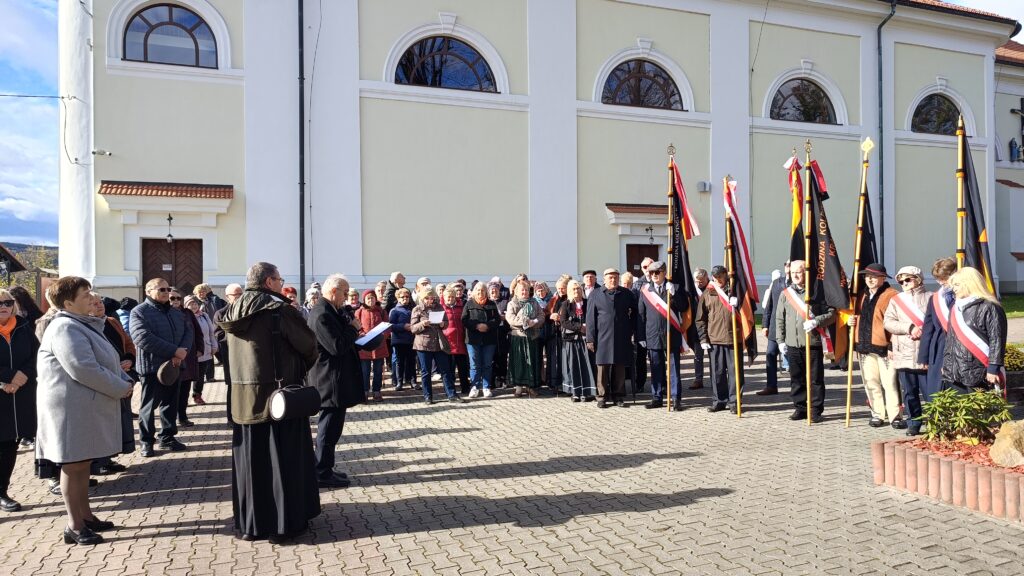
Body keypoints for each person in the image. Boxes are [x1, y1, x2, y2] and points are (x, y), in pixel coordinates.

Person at [219, 262, 320, 541]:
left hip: (242, 399)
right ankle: (283, 525)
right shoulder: (278, 310)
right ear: (268, 282)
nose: (281, 283)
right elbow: (309, 346)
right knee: (282, 461)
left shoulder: (231, 310)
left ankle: (252, 524)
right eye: (279, 279)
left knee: (252, 463)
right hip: (279, 398)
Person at [35, 276, 134, 544]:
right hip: (70, 411)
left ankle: (86, 516)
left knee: (82, 464)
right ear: (68, 303)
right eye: (85, 294)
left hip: (82, 407)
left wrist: (122, 380)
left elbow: (101, 362)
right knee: (73, 465)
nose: (92, 298)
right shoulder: (65, 328)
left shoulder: (79, 324)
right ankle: (74, 526)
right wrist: (119, 387)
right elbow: (83, 368)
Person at [307, 275, 365, 488]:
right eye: (345, 292)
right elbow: (336, 346)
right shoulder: (322, 313)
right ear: (333, 291)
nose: (347, 297)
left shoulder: (331, 311)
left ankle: (327, 467)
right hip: (328, 380)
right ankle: (321, 472)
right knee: (328, 429)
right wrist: (353, 328)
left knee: (333, 428)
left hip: (334, 378)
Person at [130, 278, 193, 457]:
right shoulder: (139, 312)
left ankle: (167, 438)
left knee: (170, 404)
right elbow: (142, 337)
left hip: (174, 366)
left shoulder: (175, 313)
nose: (166, 292)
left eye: (167, 289)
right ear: (148, 292)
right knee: (148, 407)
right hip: (152, 368)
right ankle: (146, 442)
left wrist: (181, 353)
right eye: (161, 289)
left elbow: (188, 332)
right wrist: (174, 351)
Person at [775, 260, 835, 423]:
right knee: (796, 378)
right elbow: (780, 318)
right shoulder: (785, 294)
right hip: (792, 344)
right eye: (792, 272)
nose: (795, 275)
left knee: (815, 379)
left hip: (812, 343)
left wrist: (817, 321)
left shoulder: (816, 293)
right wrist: (780, 340)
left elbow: (832, 314)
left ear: (806, 273)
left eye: (799, 272)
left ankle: (815, 410)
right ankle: (800, 407)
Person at [847, 263, 900, 428]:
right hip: (863, 346)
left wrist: (892, 345)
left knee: (889, 383)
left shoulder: (892, 295)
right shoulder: (860, 295)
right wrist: (850, 321)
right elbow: (853, 316)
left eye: (873, 276)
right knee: (871, 382)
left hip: (885, 347)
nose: (869, 279)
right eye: (867, 276)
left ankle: (895, 416)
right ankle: (877, 414)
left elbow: (897, 322)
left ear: (883, 278)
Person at [695, 266, 755, 414]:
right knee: (717, 373)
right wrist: (703, 339)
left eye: (720, 277)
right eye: (715, 278)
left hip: (733, 339)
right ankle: (719, 401)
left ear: (725, 276)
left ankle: (735, 402)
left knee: (735, 373)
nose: (718, 280)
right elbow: (700, 319)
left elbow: (748, 311)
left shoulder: (735, 290)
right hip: (714, 340)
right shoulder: (708, 292)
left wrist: (738, 304)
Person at [0, 288, 38, 513]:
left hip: (21, 394)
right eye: (0, 303)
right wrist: (7, 377)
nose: (4, 306)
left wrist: (23, 375)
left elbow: (37, 355)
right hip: (2, 391)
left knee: (10, 444)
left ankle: (2, 490)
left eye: (7, 302)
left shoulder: (23, 327)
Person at [88, 294, 135, 476]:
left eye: (100, 302)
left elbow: (128, 342)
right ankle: (97, 463)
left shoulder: (112, 321)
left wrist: (130, 359)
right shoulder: (86, 326)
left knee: (118, 420)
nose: (99, 306)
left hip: (122, 375)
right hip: (104, 380)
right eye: (94, 303)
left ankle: (108, 458)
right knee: (103, 423)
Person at [941, 267, 1007, 394]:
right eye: (953, 285)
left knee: (980, 413)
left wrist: (993, 368)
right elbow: (950, 340)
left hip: (978, 371)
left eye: (957, 285)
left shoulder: (989, 307)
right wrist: (946, 364)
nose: (954, 288)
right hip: (954, 373)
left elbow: (997, 339)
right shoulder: (955, 308)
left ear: (970, 284)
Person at [884, 266, 932, 436]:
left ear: (918, 279)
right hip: (904, 353)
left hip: (926, 353)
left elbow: (940, 322)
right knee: (910, 393)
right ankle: (914, 422)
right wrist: (909, 327)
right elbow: (888, 322)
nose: (904, 283)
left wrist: (922, 330)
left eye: (908, 279)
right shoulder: (896, 300)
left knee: (930, 393)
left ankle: (935, 423)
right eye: (901, 281)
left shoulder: (931, 297)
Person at [586, 268, 637, 408]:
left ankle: (618, 395)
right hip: (602, 337)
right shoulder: (595, 294)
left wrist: (631, 328)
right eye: (610, 277)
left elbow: (635, 312)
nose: (613, 280)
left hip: (621, 336)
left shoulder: (626, 293)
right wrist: (590, 339)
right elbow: (590, 318)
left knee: (619, 366)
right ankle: (602, 396)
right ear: (604, 279)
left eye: (615, 277)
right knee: (602, 367)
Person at [638, 261, 685, 411]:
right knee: (656, 368)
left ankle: (676, 398)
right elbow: (641, 315)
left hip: (671, 334)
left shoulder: (674, 288)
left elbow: (684, 307)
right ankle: (656, 397)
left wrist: (674, 294)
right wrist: (641, 336)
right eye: (651, 273)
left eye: (657, 272)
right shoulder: (645, 290)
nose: (654, 276)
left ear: (664, 272)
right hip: (653, 335)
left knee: (674, 369)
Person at [412, 289, 463, 404]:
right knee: (426, 372)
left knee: (445, 370)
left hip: (438, 343)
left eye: (432, 298)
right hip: (423, 345)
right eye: (427, 298)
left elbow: (446, 323)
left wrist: (442, 324)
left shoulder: (439, 307)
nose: (430, 300)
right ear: (423, 298)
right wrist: (422, 324)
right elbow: (413, 328)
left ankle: (452, 395)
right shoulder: (417, 309)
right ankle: (428, 397)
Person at [918, 258, 956, 403]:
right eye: (938, 279)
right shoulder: (935, 299)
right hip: (939, 345)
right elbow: (928, 328)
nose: (941, 283)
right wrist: (923, 356)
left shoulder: (963, 296)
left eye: (944, 279)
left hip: (959, 347)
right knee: (936, 391)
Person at [506, 279, 546, 397]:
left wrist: (535, 321)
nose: (524, 292)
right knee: (519, 363)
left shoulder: (534, 302)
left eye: (526, 290)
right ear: (517, 292)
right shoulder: (512, 303)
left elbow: (542, 315)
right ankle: (518, 388)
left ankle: (531, 387)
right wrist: (525, 321)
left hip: (532, 337)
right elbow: (510, 318)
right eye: (522, 290)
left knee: (531, 362)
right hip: (518, 337)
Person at [559, 280, 597, 401]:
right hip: (572, 341)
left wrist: (588, 327)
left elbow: (594, 317)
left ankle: (587, 392)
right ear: (570, 291)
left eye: (578, 289)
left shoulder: (588, 302)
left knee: (587, 365)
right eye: (574, 289)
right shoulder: (566, 304)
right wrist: (580, 327)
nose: (576, 291)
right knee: (574, 366)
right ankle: (575, 392)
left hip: (586, 340)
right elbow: (564, 322)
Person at [462, 282, 500, 398]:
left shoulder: (492, 304)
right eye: (478, 290)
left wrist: (487, 326)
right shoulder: (469, 304)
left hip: (489, 340)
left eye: (482, 290)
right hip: (473, 340)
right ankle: (475, 387)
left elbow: (497, 320)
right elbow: (464, 320)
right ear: (474, 292)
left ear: (486, 292)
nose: (480, 292)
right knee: (474, 365)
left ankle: (486, 387)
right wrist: (477, 326)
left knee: (487, 364)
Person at [213, 283, 243, 423]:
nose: (238, 298)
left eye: (240, 294)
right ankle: (231, 418)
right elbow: (218, 334)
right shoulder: (220, 313)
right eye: (235, 295)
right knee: (233, 386)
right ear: (227, 297)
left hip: (246, 356)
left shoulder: (248, 311)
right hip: (230, 355)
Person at [758, 265, 788, 395]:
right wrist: (765, 325)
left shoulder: (800, 283)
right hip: (775, 328)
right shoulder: (777, 282)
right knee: (770, 354)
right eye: (786, 265)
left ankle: (799, 388)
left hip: (791, 328)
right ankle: (771, 386)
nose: (788, 268)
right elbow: (769, 305)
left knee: (794, 359)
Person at [184, 295, 218, 406]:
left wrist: (214, 346)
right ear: (185, 305)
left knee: (200, 376)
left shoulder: (204, 315)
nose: (193, 306)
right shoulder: (184, 317)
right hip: (189, 352)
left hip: (205, 350)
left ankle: (197, 395)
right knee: (187, 376)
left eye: (195, 303)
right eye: (190, 304)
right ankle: (183, 399)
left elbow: (211, 332)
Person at [354, 289, 387, 401]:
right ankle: (365, 391)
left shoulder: (381, 311)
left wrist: (383, 335)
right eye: (368, 298)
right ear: (364, 300)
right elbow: (355, 327)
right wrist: (361, 334)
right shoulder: (359, 312)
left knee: (378, 370)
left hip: (379, 346)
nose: (371, 300)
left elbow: (387, 326)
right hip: (365, 346)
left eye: (372, 298)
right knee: (365, 371)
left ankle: (376, 391)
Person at [441, 286, 470, 394]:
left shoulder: (461, 307)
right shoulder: (441, 308)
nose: (450, 299)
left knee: (463, 368)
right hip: (447, 342)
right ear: (444, 297)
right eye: (448, 297)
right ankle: (450, 390)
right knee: (449, 369)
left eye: (452, 297)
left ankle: (465, 388)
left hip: (460, 342)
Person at [544, 275, 570, 395]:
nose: (560, 291)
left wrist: (560, 318)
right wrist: (550, 316)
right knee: (554, 359)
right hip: (553, 333)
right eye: (558, 289)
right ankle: (553, 383)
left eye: (563, 288)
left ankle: (564, 384)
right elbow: (545, 312)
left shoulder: (570, 299)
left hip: (565, 334)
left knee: (564, 360)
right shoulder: (554, 299)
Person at [388, 288, 416, 390]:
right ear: (398, 298)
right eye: (402, 297)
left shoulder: (412, 309)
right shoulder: (394, 310)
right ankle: (399, 382)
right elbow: (391, 325)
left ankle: (413, 381)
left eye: (407, 297)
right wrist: (403, 326)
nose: (405, 298)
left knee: (411, 361)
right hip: (399, 340)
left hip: (411, 339)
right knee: (399, 362)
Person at [689, 268, 710, 389]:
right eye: (697, 281)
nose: (699, 284)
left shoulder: (712, 288)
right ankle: (698, 379)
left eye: (701, 281)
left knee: (714, 356)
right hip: (697, 328)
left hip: (712, 327)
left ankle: (715, 379)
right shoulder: (692, 291)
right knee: (698, 355)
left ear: (707, 278)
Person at [490, 282, 511, 388]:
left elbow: (509, 316)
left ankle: (503, 378)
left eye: (496, 290)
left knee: (502, 358)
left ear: (499, 291)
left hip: (503, 333)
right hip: (491, 334)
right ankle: (492, 380)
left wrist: (505, 318)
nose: (494, 292)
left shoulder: (505, 302)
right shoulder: (487, 303)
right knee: (492, 359)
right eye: (492, 290)